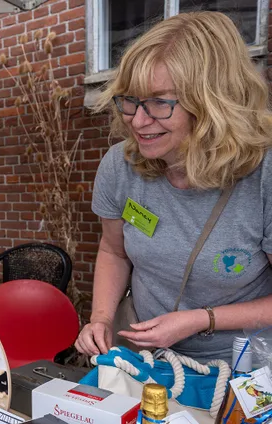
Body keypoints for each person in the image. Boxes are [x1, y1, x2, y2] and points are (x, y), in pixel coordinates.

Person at [76, 12, 272, 363]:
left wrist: (200, 320)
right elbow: (113, 251)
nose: (137, 120)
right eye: (130, 100)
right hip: (149, 358)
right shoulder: (119, 166)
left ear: (213, 103)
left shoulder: (264, 174)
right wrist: (101, 318)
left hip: (242, 364)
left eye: (159, 102)